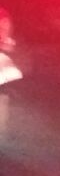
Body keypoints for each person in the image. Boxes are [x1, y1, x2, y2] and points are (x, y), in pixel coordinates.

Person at [0, 8, 24, 137]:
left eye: (5, 25)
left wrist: (10, 51)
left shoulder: (15, 45)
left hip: (4, 92)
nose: (3, 29)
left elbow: (22, 68)